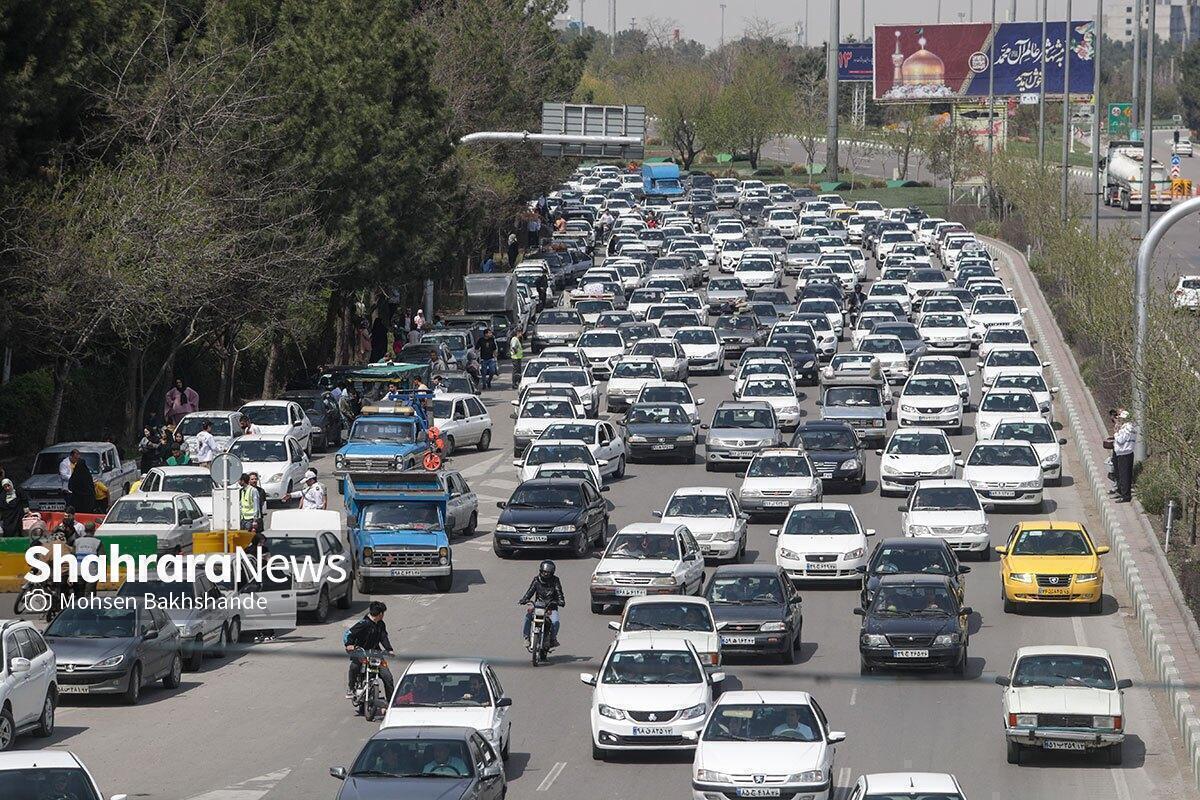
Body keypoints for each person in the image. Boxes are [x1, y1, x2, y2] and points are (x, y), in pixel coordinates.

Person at [345, 601, 395, 700]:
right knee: (354, 667)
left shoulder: (381, 624)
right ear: (380, 614)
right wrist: (349, 645)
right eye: (383, 613)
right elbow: (348, 634)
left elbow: (383, 637)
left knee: (387, 677)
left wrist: (389, 649)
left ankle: (390, 703)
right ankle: (351, 689)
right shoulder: (363, 623)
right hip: (361, 652)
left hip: (376, 654)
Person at [518, 560, 565, 648]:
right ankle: (526, 638)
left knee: (555, 622)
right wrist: (524, 599)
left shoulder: (555, 581)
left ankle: (553, 639)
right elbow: (530, 591)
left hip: (551, 607)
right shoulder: (536, 580)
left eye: (548, 573)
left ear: (552, 573)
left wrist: (561, 601)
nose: (546, 574)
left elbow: (559, 592)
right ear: (541, 571)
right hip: (538, 606)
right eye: (544, 572)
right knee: (527, 617)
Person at [1112, 409, 1136, 503]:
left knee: (1124, 475)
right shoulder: (1129, 427)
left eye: (1121, 418)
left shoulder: (1127, 428)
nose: (1120, 420)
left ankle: (1125, 495)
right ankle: (1123, 493)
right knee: (1123, 474)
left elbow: (1120, 439)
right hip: (1125, 453)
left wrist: (1116, 433)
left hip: (1124, 453)